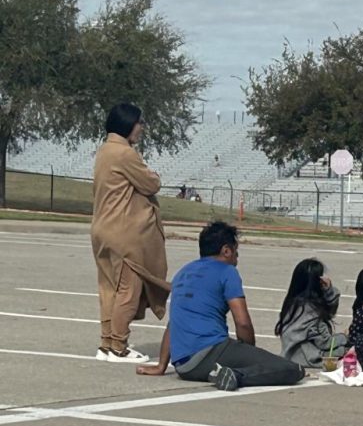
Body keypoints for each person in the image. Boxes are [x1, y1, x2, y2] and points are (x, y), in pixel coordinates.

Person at [136, 221, 305, 391]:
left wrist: (161, 365)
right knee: (292, 369)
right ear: (226, 250)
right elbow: (242, 322)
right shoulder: (227, 272)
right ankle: (235, 375)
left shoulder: (183, 272)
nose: (237, 259)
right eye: (236, 252)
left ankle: (222, 372)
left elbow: (174, 323)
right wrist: (248, 351)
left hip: (184, 367)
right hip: (210, 352)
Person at [90, 102, 171, 364]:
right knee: (129, 288)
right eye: (139, 123)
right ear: (127, 125)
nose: (141, 128)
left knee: (108, 287)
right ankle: (119, 346)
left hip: (102, 228)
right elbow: (151, 183)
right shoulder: (125, 154)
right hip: (124, 232)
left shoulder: (104, 150)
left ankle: (106, 342)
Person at [274, 258, 346, 367]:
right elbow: (325, 343)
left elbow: (329, 312)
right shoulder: (311, 311)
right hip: (308, 358)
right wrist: (346, 337)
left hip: (292, 354)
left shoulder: (292, 304)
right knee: (349, 349)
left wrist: (329, 292)